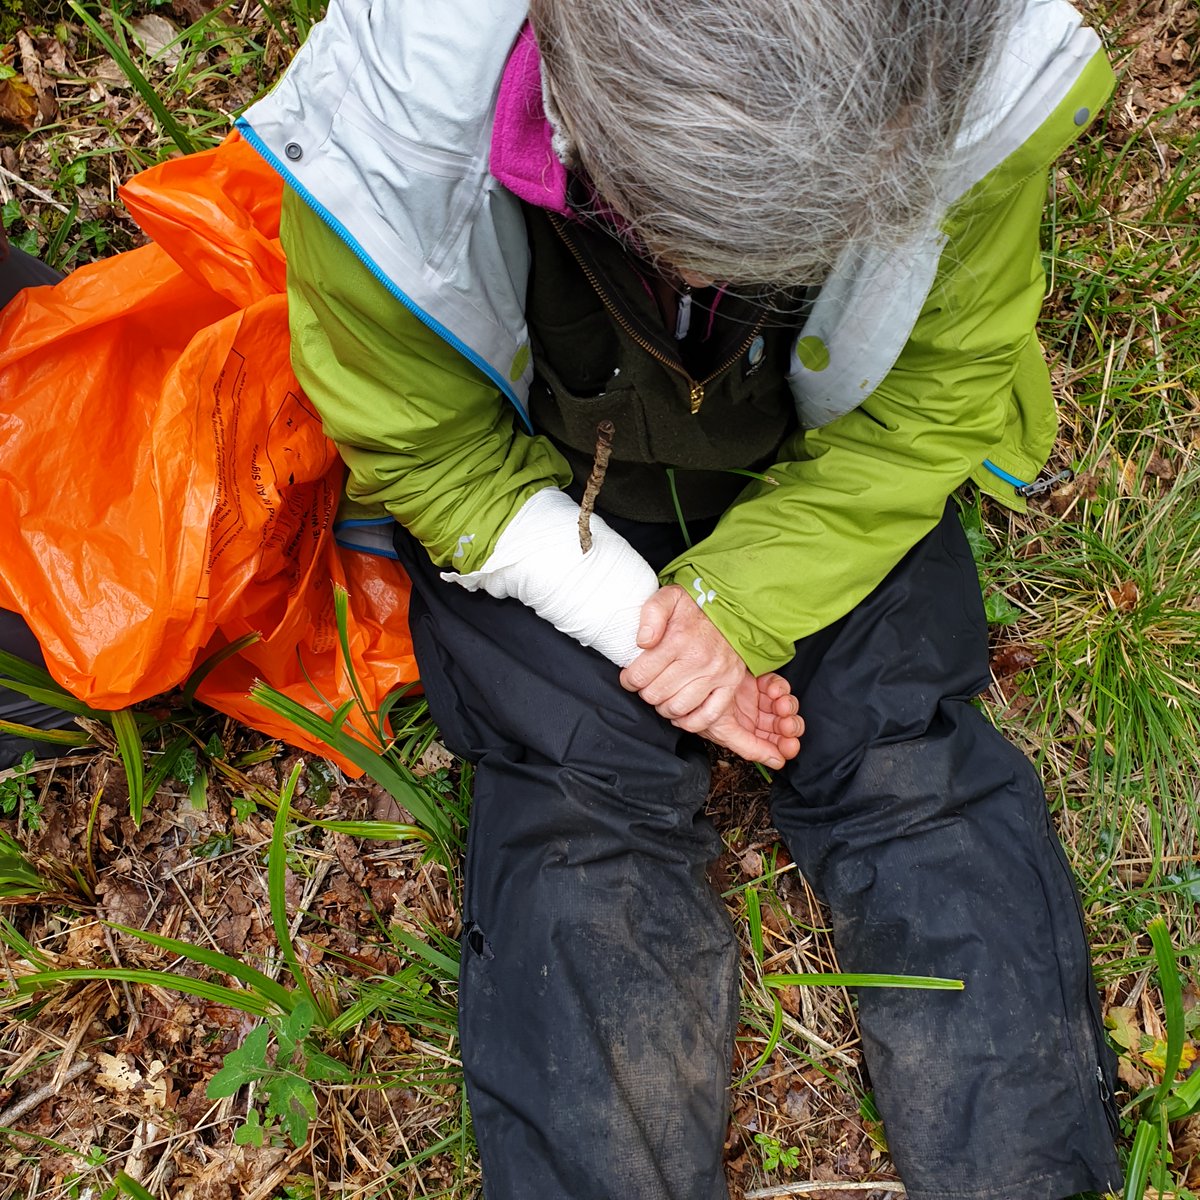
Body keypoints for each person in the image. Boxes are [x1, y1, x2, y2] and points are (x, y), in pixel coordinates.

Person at [5, 0, 1121, 1194]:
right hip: (540, 480)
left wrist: (736, 608)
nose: (702, 275)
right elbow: (430, 453)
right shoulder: (395, 141)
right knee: (581, 794)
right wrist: (632, 615)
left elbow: (932, 404)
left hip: (819, 463)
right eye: (668, 233)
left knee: (904, 752)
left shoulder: (963, 83)